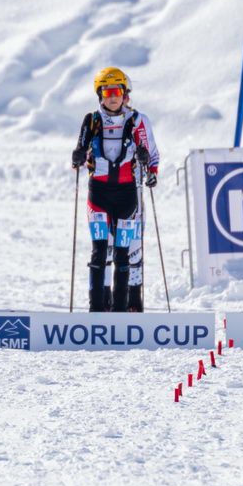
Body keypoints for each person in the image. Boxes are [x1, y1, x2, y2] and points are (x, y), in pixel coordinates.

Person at [70, 67, 162, 312]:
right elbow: (77, 156)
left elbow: (152, 154)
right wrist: (77, 157)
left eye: (118, 91)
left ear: (124, 94)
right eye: (108, 92)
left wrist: (151, 172)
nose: (113, 97)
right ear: (100, 94)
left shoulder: (137, 120)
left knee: (123, 254)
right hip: (98, 194)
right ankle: (96, 310)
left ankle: (120, 312)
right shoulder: (92, 120)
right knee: (99, 252)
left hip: (126, 195)